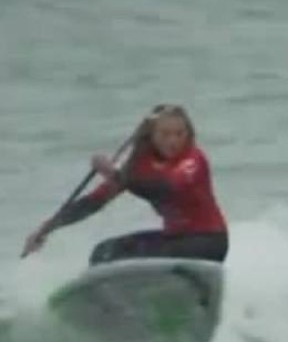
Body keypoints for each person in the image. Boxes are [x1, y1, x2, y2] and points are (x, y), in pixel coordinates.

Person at [22, 105, 228, 264]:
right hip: (175, 239)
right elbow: (95, 201)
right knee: (103, 253)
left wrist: (113, 174)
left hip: (208, 242)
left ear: (188, 134)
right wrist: (45, 229)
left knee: (151, 256)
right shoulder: (140, 164)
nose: (173, 141)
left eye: (179, 134)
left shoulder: (193, 160)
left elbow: (163, 189)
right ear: (151, 135)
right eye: (165, 134)